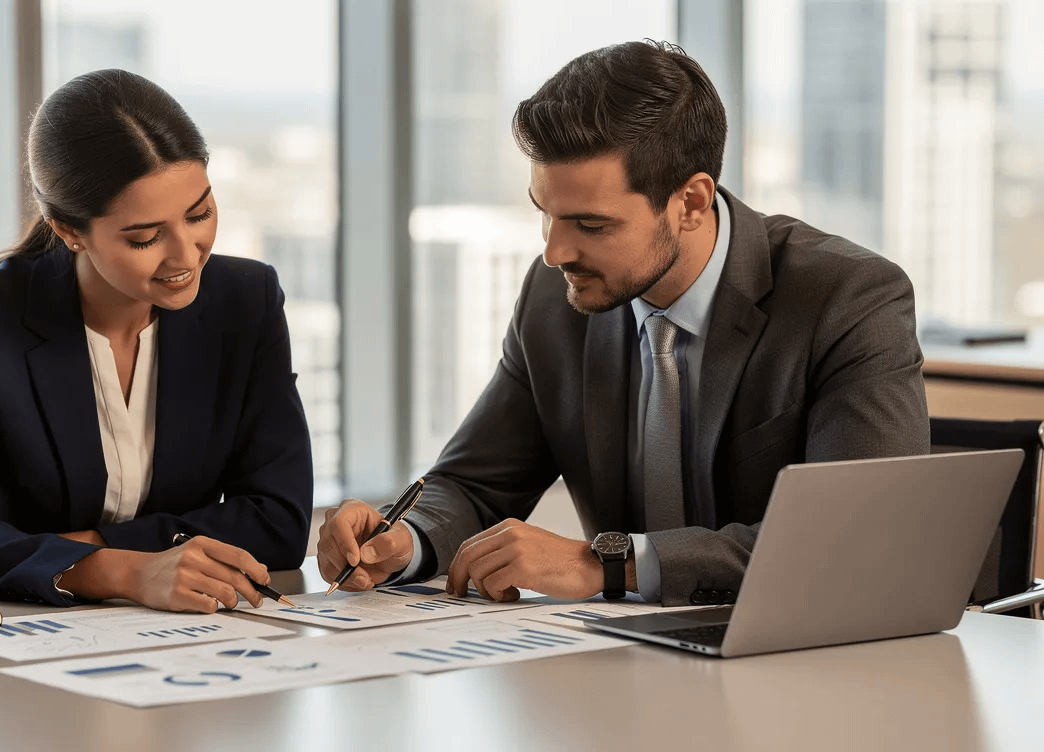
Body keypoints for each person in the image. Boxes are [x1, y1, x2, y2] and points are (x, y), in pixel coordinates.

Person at [317, 41, 929, 607]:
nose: (555, 252)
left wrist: (608, 564)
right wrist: (406, 540)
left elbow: (857, 540)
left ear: (690, 202)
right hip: (627, 668)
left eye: (591, 225)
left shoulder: (847, 298)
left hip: (810, 666)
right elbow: (476, 485)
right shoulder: (552, 298)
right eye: (545, 214)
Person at [0, 69, 314, 612]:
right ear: (69, 229)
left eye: (199, 214)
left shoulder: (247, 302)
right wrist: (124, 572)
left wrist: (88, 548)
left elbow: (278, 521)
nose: (187, 255)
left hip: (166, 644)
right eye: (145, 237)